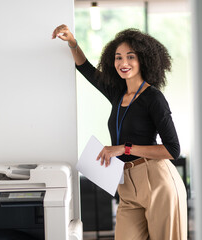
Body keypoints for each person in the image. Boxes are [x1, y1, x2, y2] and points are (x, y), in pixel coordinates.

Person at [52, 24, 187, 240]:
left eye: (130, 57)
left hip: (157, 182)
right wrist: (72, 42)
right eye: (118, 57)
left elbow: (173, 149)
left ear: (143, 59)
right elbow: (85, 67)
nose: (123, 63)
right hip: (126, 182)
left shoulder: (154, 98)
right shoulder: (117, 92)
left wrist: (124, 148)